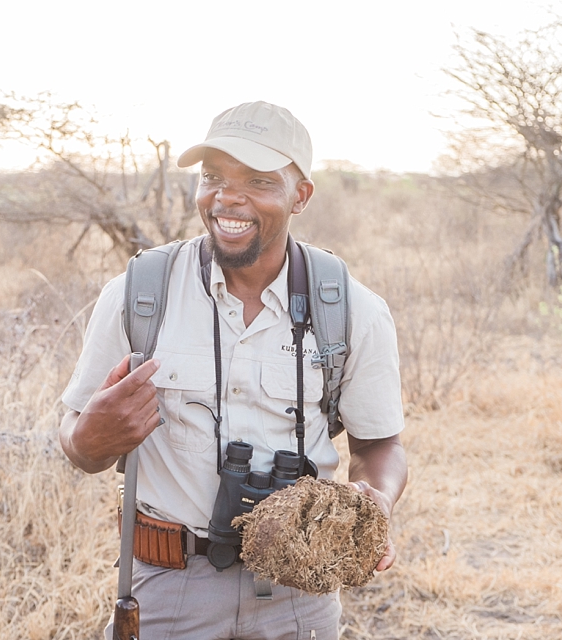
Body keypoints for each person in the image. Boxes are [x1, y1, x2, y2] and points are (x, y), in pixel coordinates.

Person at [59, 101, 407, 640]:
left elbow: (378, 445)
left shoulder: (351, 308)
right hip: (169, 585)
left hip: (299, 591)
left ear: (301, 196)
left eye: (258, 180)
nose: (227, 197)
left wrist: (376, 500)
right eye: (213, 176)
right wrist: (91, 439)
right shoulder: (139, 294)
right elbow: (79, 441)